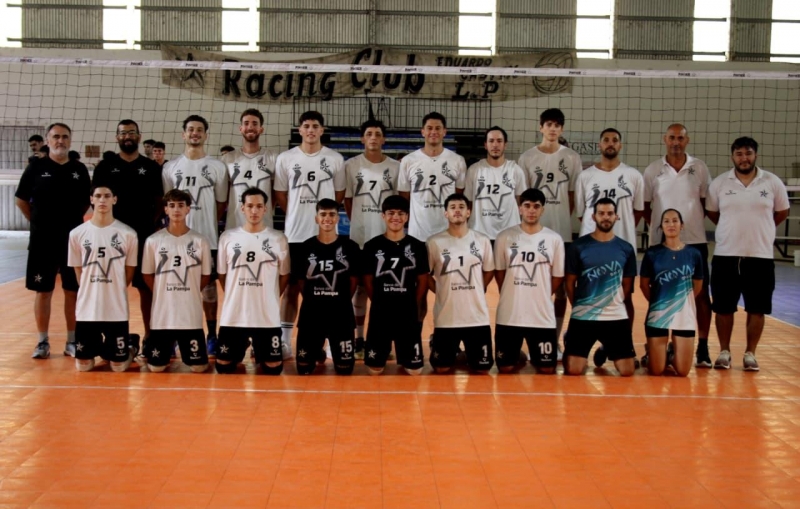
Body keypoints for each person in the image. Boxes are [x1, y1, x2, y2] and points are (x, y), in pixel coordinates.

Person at [705, 137, 790, 371]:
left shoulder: (772, 182)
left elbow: (782, 212)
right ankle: (724, 352)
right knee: (723, 307)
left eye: (748, 153)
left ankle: (750, 353)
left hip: (760, 256)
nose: (744, 158)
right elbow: (713, 213)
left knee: (757, 307)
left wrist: (762, 229)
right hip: (726, 255)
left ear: (755, 155)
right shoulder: (720, 183)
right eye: (739, 154)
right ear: (732, 156)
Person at [15, 123, 91, 359]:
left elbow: (86, 202)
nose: (60, 141)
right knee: (43, 290)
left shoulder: (79, 169)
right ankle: (42, 342)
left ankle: (72, 341)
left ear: (70, 140)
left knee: (72, 290)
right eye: (56, 137)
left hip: (72, 241)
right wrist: (37, 222)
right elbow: (21, 200)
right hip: (42, 241)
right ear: (47, 141)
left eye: (65, 137)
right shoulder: (36, 167)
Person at [274, 111, 345, 359]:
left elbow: (338, 195)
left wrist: (323, 221)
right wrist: (296, 213)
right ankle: (285, 342)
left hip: (326, 237)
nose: (311, 130)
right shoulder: (286, 158)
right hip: (295, 235)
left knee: (327, 291)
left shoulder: (335, 159)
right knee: (291, 288)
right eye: (306, 126)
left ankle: (325, 342)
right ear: (300, 129)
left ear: (322, 130)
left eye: (315, 126)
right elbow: (280, 194)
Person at [643, 124, 713, 368]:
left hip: (694, 241)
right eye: (672, 138)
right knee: (658, 293)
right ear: (665, 139)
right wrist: (662, 230)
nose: (676, 142)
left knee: (701, 295)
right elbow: (645, 206)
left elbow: (706, 203)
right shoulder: (653, 169)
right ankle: (654, 345)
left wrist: (688, 226)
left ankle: (702, 347)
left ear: (687, 140)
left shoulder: (699, 167)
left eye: (680, 138)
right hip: (661, 245)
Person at [574, 128, 644, 366]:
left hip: (622, 247)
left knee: (625, 296)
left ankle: (621, 344)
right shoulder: (585, 176)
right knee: (587, 293)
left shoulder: (633, 175)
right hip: (590, 248)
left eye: (615, 140)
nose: (610, 143)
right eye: (606, 140)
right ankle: (582, 340)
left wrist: (620, 233)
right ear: (599, 145)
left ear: (620, 145)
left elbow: (638, 211)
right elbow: (582, 213)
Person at [92, 120, 163, 351]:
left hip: (143, 235)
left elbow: (159, 201)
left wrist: (149, 224)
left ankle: (150, 336)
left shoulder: (151, 167)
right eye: (123, 133)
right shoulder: (105, 166)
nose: (127, 136)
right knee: (109, 286)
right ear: (117, 137)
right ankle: (111, 337)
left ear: (139, 137)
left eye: (132, 132)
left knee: (146, 288)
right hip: (111, 238)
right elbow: (95, 200)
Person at [162, 115, 228, 355]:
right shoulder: (170, 167)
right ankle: (176, 334)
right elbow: (169, 202)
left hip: (207, 239)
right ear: (184, 134)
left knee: (208, 289)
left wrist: (204, 222)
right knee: (176, 286)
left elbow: (221, 203)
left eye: (199, 130)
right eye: (191, 129)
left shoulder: (217, 166)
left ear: (205, 135)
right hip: (177, 240)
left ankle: (211, 335)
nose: (195, 133)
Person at [518, 108, 582, 347]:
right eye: (549, 124)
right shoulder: (527, 158)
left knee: (562, 289)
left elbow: (573, 195)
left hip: (562, 234)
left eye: (557, 125)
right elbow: (522, 198)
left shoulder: (572, 157)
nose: (553, 129)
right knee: (530, 286)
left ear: (561, 129)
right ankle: (528, 338)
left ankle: (553, 340)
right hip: (533, 235)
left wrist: (561, 216)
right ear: (541, 127)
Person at [215, 188, 290, 375]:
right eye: (249, 206)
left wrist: (271, 295)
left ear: (266, 209)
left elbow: (284, 275)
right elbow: (222, 275)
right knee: (223, 367)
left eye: (258, 206)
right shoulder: (227, 237)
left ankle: (259, 347)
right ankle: (243, 345)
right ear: (242, 208)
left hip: (266, 316)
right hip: (234, 315)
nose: (254, 211)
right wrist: (234, 294)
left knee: (273, 369)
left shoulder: (278, 239)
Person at [343, 119, 400, 358]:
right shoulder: (351, 165)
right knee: (359, 289)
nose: (373, 137)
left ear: (384, 139)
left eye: (378, 133)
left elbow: (398, 202)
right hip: (359, 237)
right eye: (369, 133)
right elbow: (347, 201)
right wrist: (359, 221)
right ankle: (358, 338)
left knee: (386, 290)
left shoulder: (396, 167)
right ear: (362, 139)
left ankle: (384, 340)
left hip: (387, 239)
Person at [67, 185, 139, 372]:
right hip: (87, 310)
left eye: (107, 196)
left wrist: (114, 289)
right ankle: (101, 348)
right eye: (98, 196)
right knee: (83, 366)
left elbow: (129, 271)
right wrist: (91, 289)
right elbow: (78, 270)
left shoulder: (128, 234)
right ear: (91, 199)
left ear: (114, 199)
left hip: (116, 309)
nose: (102, 200)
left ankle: (131, 346)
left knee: (118, 367)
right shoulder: (76, 233)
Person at [563, 198, 637, 376]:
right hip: (584, 315)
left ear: (616, 216)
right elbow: (569, 283)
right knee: (574, 369)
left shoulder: (626, 248)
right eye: (601, 213)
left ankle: (607, 347)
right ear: (593, 217)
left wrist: (612, 304)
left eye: (610, 213)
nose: (606, 217)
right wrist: (579, 306)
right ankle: (571, 339)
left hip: (614, 315)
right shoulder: (578, 246)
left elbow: (627, 286)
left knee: (627, 371)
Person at [494, 188, 564, 374]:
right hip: (510, 314)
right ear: (520, 208)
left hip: (541, 316)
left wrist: (542, 292)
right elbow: (500, 272)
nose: (531, 210)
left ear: (543, 210)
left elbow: (558, 276)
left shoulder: (554, 239)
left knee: (547, 369)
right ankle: (518, 354)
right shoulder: (504, 237)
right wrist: (509, 290)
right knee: (505, 368)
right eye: (527, 206)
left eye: (536, 206)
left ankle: (524, 353)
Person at [141, 189, 212, 373]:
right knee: (156, 368)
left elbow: (205, 275)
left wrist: (190, 290)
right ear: (165, 209)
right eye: (171, 206)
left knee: (199, 367)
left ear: (188, 209)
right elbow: (147, 274)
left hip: (190, 315)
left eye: (181, 205)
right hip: (163, 316)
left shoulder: (200, 241)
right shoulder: (153, 241)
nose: (176, 210)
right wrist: (161, 291)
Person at [427, 193, 494, 374]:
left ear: (468, 212)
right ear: (446, 213)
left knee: (482, 369)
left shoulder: (482, 240)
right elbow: (425, 274)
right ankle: (446, 348)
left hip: (476, 316)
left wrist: (480, 287)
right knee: (441, 368)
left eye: (461, 207)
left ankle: (464, 355)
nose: (457, 211)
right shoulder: (434, 242)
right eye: (453, 207)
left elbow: (489, 270)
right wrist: (440, 290)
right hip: (447, 316)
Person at [292, 199, 360, 375]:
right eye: (323, 214)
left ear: (337, 218)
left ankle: (326, 349)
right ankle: (316, 349)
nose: (327, 218)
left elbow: (353, 280)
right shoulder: (305, 248)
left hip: (341, 314)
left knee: (345, 370)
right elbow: (302, 281)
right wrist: (313, 297)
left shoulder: (350, 247)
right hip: (311, 314)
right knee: (304, 369)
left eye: (331, 214)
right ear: (316, 218)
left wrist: (340, 299)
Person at [362, 195, 428, 375]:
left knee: (415, 371)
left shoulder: (417, 246)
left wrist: (412, 301)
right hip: (381, 310)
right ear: (383, 216)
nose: (396, 217)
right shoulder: (372, 246)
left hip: (407, 310)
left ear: (407, 217)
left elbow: (423, 279)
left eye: (400, 213)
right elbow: (367, 279)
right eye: (391, 213)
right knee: (374, 370)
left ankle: (405, 354)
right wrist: (378, 300)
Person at [639, 209, 704, 376]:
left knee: (682, 371)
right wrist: (658, 303)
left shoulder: (694, 254)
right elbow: (644, 285)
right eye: (666, 221)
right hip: (658, 315)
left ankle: (670, 353)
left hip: (684, 316)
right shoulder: (652, 253)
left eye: (675, 220)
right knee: (656, 370)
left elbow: (697, 284)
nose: (671, 224)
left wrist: (682, 302)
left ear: (682, 225)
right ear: (661, 226)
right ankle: (653, 353)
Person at [398, 112, 466, 242]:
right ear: (423, 132)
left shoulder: (457, 160)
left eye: (438, 128)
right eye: (429, 128)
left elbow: (458, 195)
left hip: (447, 232)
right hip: (418, 234)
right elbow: (404, 197)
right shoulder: (408, 161)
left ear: (444, 132)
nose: (433, 132)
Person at [463, 126, 526, 242]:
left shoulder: (515, 170)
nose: (495, 145)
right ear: (485, 145)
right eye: (491, 141)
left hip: (509, 234)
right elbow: (468, 204)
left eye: (499, 141)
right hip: (480, 234)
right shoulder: (474, 170)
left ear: (505, 145)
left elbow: (521, 203)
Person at [221, 109, 277, 231]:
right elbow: (224, 194)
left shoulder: (272, 157)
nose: (250, 127)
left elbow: (275, 192)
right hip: (235, 226)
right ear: (240, 128)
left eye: (255, 123)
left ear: (261, 129)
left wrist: (266, 209)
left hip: (264, 226)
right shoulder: (227, 159)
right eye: (246, 123)